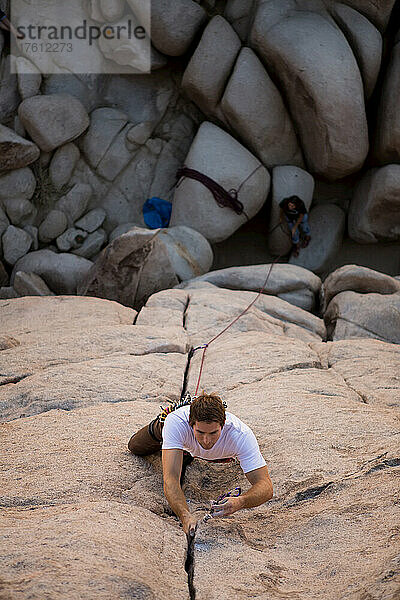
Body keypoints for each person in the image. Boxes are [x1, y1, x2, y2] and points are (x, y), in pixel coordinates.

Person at [128, 392, 273, 535]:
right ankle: (176, 446)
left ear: (223, 424)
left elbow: (266, 486)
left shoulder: (241, 435)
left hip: (197, 449)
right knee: (135, 446)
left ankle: (184, 453)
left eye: (213, 433)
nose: (206, 440)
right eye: (200, 432)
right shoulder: (177, 422)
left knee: (190, 454)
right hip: (170, 430)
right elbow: (170, 479)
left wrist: (240, 502)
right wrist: (185, 516)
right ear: (191, 424)